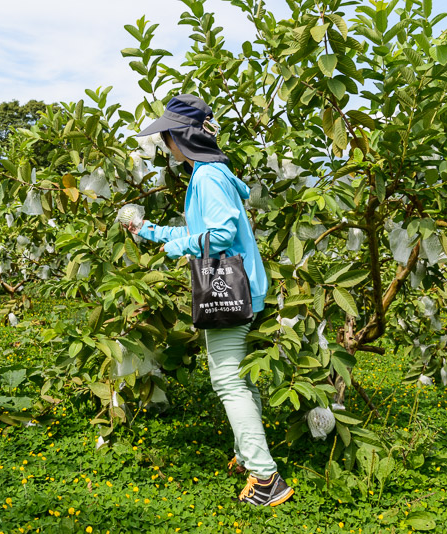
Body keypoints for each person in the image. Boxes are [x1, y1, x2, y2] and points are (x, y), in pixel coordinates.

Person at [125, 94, 294, 507]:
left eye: (167, 136)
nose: (165, 145)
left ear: (180, 137)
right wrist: (149, 231)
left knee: (228, 381)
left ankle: (266, 477)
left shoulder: (207, 178)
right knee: (239, 377)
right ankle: (247, 454)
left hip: (230, 288)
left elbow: (218, 236)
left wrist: (177, 246)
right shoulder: (211, 173)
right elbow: (207, 230)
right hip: (243, 285)